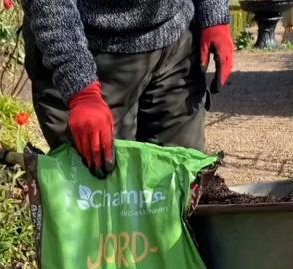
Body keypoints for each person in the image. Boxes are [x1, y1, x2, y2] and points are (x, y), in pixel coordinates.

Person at [21, 0, 234, 178]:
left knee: (179, 181)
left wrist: (213, 13)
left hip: (175, 38)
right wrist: (81, 90)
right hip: (88, 49)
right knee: (103, 201)